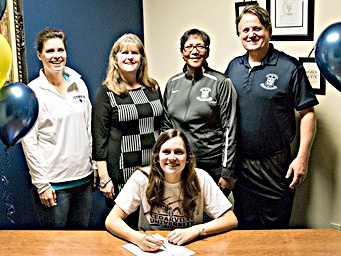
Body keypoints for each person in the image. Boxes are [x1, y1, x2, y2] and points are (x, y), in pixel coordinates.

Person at [224, 5, 319, 229]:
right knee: (244, 226)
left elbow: (308, 114)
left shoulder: (289, 67)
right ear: (239, 35)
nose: (251, 34)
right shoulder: (233, 67)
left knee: (276, 228)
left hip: (276, 165)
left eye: (257, 28)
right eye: (245, 30)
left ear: (269, 30)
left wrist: (302, 157)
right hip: (242, 166)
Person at [105, 129, 238, 252]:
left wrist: (196, 230)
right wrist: (137, 238)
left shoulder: (201, 178)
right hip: (151, 249)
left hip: (190, 247)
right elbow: (112, 220)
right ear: (157, 157)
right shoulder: (142, 177)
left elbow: (230, 219)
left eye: (179, 152)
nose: (172, 157)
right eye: (166, 152)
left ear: (187, 158)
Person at [21, 28, 94, 229]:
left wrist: (93, 164)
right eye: (50, 51)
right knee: (55, 246)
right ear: (39, 55)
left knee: (82, 244)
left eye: (60, 50)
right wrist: (42, 184)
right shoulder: (34, 92)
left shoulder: (78, 83)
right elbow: (29, 142)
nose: (56, 56)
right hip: (54, 187)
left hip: (84, 181)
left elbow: (88, 128)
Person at [91, 34, 163, 223]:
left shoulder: (153, 88)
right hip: (122, 170)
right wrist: (104, 177)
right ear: (115, 58)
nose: (130, 57)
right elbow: (99, 138)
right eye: (124, 53)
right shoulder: (106, 93)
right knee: (128, 226)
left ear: (142, 59)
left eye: (135, 53)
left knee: (153, 221)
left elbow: (162, 126)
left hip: (153, 167)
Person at [161, 28, 237, 196]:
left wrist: (227, 171)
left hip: (212, 167)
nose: (194, 51)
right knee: (182, 216)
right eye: (189, 47)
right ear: (182, 52)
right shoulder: (172, 83)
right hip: (179, 166)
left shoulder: (221, 83)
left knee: (209, 219)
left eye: (200, 46)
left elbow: (229, 129)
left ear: (207, 52)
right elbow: (166, 126)